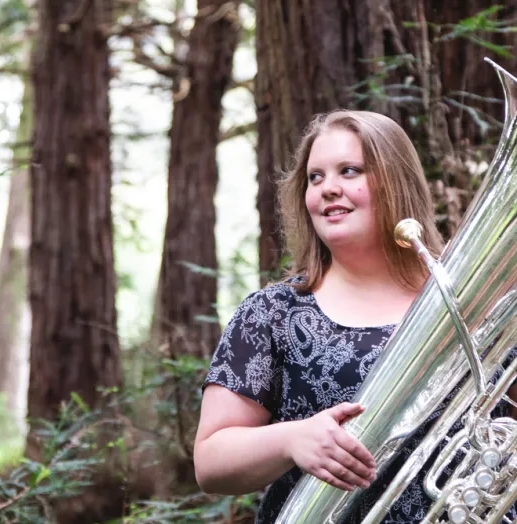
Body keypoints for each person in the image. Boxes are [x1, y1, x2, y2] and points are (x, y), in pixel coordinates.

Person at [193, 110, 517, 523]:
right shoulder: (274, 313)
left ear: (395, 180)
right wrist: (292, 439)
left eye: (349, 171)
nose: (328, 188)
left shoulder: (476, 304)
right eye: (315, 177)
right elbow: (210, 461)